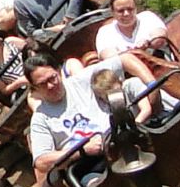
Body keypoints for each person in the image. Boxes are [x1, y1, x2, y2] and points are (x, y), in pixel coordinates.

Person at [23, 50, 155, 179]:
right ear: (34, 87)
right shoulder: (40, 118)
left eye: (52, 78)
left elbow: (126, 59)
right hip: (91, 164)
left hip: (122, 140)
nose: (50, 86)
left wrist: (152, 86)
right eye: (42, 84)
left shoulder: (82, 80)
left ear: (59, 71)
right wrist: (82, 150)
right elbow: (41, 161)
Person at [95, 0, 169, 59]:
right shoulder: (105, 32)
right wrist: (130, 54)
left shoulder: (147, 17)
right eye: (121, 11)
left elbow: (160, 36)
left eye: (130, 9)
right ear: (112, 12)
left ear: (136, 8)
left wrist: (147, 42)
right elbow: (107, 55)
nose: (126, 14)